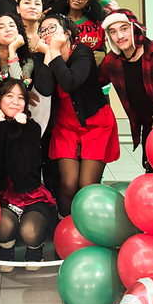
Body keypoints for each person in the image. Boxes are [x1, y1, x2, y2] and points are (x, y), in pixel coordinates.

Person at [34, 14, 119, 217]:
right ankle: (66, 227)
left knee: (86, 185)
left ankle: (89, 228)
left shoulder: (83, 52)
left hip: (96, 122)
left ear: (67, 34)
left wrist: (53, 53)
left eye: (52, 28)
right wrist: (48, 55)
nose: (47, 33)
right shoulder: (43, 55)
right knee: (68, 184)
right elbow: (44, 88)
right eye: (43, 31)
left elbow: (70, 82)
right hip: (66, 124)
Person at [0, 78, 56, 272]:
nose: (16, 102)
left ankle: (35, 248)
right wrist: (4, 129)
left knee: (30, 231)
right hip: (4, 195)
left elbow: (20, 172)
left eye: (21, 97)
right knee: (3, 227)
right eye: (9, 96)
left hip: (30, 194)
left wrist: (15, 130)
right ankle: (7, 247)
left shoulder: (32, 128)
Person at [99, 9, 153, 171]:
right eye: (113, 32)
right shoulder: (112, 61)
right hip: (147, 126)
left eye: (124, 29)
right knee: (150, 171)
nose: (119, 36)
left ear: (134, 28)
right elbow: (94, 83)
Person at [55, 0, 119, 65]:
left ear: (89, 2)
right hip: (66, 73)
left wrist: (103, 54)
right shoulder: (57, 23)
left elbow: (121, 18)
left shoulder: (97, 23)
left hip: (94, 74)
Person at [0, 13, 33, 105]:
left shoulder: (27, 61)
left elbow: (18, 89)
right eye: (1, 27)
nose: (8, 29)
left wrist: (12, 50)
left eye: (12, 25)